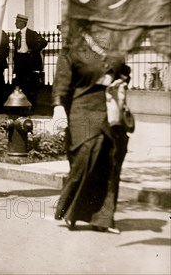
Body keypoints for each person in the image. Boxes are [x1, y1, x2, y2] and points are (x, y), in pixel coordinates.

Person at [52, 29, 131, 234]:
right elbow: (62, 81)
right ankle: (72, 210)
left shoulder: (115, 43)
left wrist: (119, 79)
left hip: (109, 108)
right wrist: (58, 107)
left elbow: (124, 70)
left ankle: (103, 219)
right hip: (83, 108)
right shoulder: (73, 47)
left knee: (110, 159)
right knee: (85, 154)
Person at [12, 14, 47, 105]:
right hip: (20, 61)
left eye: (17, 22)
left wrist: (33, 50)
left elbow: (44, 42)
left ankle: (31, 104)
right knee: (20, 84)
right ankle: (21, 105)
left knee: (29, 84)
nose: (15, 23)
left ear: (23, 23)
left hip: (29, 61)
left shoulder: (32, 33)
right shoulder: (17, 34)